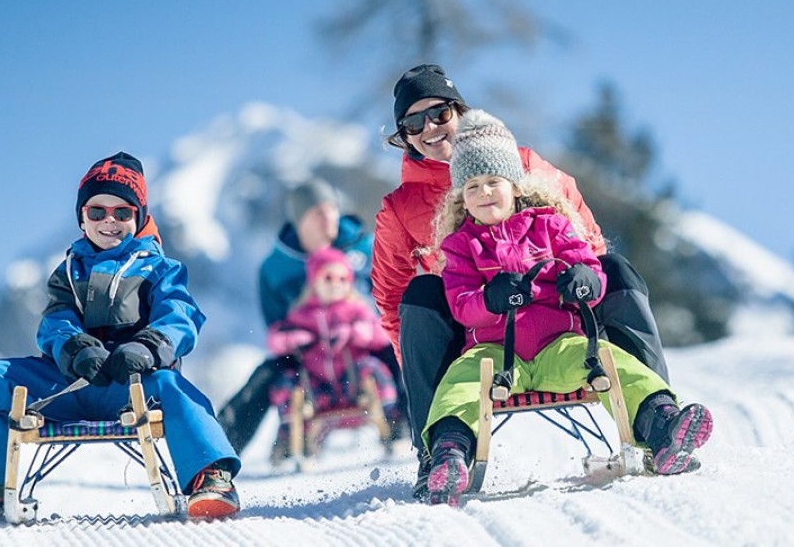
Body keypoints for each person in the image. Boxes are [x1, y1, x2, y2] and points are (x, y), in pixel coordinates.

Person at [372, 64, 673, 498]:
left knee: (616, 269)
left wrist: (584, 282)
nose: (430, 129)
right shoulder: (401, 207)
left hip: (557, 317)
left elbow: (582, 236)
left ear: (459, 110)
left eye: (438, 114)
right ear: (404, 136)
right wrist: (418, 372)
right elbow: (390, 297)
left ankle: (657, 423)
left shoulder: (524, 163)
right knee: (420, 295)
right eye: (413, 123)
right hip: (476, 331)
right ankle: (439, 455)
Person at [418, 111, 712, 506]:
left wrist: (584, 282)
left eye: (493, 181)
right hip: (496, 356)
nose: (484, 192)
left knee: (608, 362)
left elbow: (590, 268)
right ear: (461, 198)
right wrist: (489, 298)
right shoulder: (460, 246)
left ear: (515, 185)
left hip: (560, 346)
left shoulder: (551, 226)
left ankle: (661, 427)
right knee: (461, 383)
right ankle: (450, 456)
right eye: (472, 186)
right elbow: (461, 305)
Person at [0, 152, 241, 520]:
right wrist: (74, 347)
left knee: (174, 387)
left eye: (122, 213)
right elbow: (55, 321)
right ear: (82, 218)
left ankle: (210, 476)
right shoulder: (67, 271)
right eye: (97, 212)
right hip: (69, 385)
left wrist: (147, 347)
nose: (109, 221)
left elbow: (180, 315)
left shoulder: (160, 268)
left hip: (133, 389)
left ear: (139, 217)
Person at [215, 180, 400, 455]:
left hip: (365, 342)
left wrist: (363, 330)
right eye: (318, 213)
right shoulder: (275, 269)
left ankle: (411, 424)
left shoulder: (363, 248)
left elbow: (392, 293)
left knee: (400, 352)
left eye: (332, 210)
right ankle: (220, 450)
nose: (330, 218)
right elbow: (274, 322)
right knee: (268, 373)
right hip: (308, 354)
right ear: (300, 221)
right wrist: (297, 339)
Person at [263, 247, 401, 462]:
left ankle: (394, 420)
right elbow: (275, 338)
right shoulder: (302, 313)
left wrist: (354, 332)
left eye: (342, 278)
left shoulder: (356, 309)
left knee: (371, 366)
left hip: (353, 385)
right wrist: (295, 339)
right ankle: (290, 435)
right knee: (288, 381)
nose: (336, 283)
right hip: (318, 389)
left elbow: (380, 332)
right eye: (328, 278)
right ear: (314, 281)